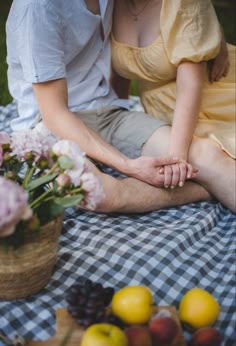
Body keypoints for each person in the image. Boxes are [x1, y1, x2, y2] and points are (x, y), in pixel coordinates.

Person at [5, 0, 235, 214]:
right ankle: (203, 189)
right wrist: (129, 166)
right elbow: (55, 114)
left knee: (206, 155)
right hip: (47, 125)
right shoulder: (37, 9)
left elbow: (189, 14)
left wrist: (212, 35)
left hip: (108, 113)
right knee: (96, 191)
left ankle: (207, 182)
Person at [111, 0, 236, 162]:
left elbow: (189, 86)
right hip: (165, 113)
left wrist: (176, 158)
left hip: (214, 104)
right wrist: (117, 116)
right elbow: (122, 69)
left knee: (214, 164)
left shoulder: (183, 4)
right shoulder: (109, 4)